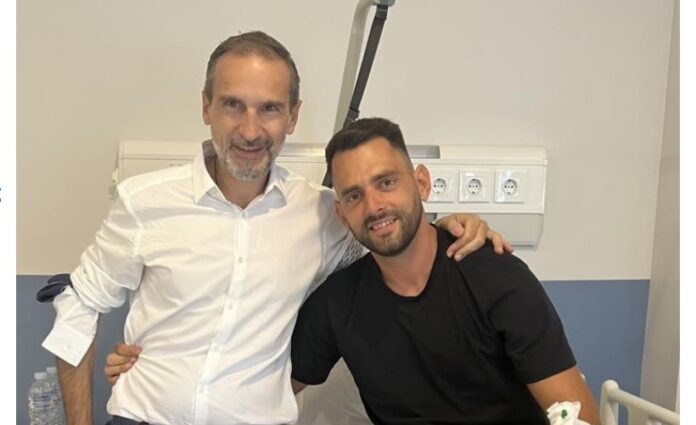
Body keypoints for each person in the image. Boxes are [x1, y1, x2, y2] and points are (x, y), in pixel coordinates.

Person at [41, 32, 508, 425]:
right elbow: (80, 302)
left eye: (269, 109)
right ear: (206, 107)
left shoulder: (323, 215)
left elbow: (391, 235)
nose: (250, 131)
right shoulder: (145, 202)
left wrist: (449, 226)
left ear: (293, 116)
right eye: (233, 105)